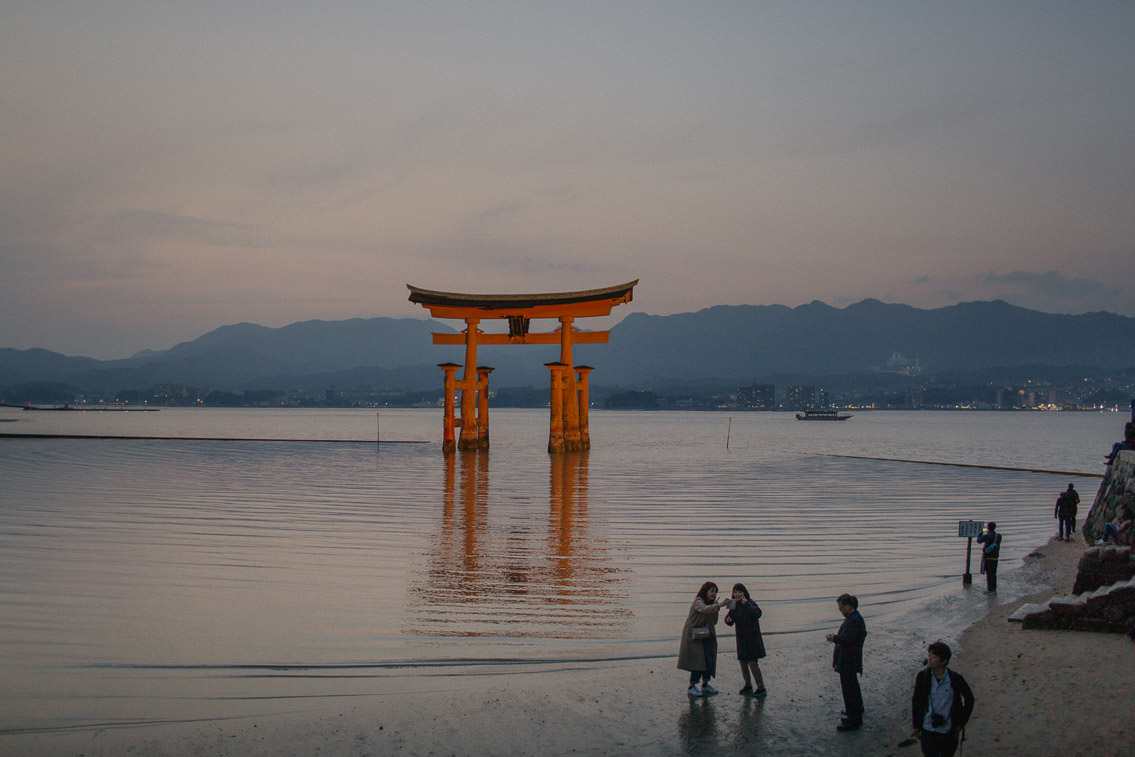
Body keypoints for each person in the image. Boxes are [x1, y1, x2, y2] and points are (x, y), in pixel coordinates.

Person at [911, 641, 975, 757]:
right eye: (929, 655)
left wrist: (961, 723)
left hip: (948, 731)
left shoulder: (955, 679)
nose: (929, 659)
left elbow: (969, 699)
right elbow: (916, 701)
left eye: (934, 657)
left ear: (944, 661)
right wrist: (916, 725)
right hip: (927, 729)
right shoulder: (922, 677)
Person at [677, 581, 730, 697]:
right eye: (711, 591)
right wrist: (718, 605)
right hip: (693, 635)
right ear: (705, 591)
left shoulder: (710, 605)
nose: (713, 594)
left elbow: (714, 622)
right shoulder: (698, 601)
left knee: (708, 659)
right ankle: (692, 686)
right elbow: (703, 609)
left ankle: (705, 685)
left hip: (705, 634)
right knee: (697, 661)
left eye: (715, 592)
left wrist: (716, 607)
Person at [826, 593, 866, 731]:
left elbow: (849, 639)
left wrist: (834, 637)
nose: (840, 611)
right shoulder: (855, 618)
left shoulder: (853, 620)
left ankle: (853, 719)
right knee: (852, 687)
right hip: (852, 658)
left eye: (841, 608)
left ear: (848, 606)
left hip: (849, 659)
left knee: (849, 689)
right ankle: (855, 712)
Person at [723, 583, 767, 697]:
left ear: (744, 593)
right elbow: (729, 620)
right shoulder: (733, 604)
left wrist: (746, 604)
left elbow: (758, 614)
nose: (737, 594)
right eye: (735, 592)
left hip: (752, 638)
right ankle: (748, 685)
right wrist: (727, 620)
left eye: (739, 592)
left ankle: (761, 687)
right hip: (741, 639)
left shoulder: (750, 602)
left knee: (753, 663)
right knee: (743, 662)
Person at [976, 522, 1001, 594]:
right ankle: (994, 589)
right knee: (993, 574)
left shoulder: (987, 536)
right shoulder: (998, 536)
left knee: (989, 575)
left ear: (988, 527)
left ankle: (990, 589)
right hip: (995, 558)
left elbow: (979, 540)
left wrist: (980, 532)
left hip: (988, 558)